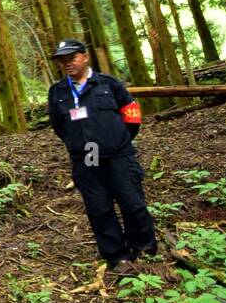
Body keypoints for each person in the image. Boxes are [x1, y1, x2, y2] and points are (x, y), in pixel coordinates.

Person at [46, 39, 157, 276]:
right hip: (86, 158)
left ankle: (144, 250)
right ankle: (117, 257)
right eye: (62, 61)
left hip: (118, 155)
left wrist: (118, 140)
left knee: (132, 203)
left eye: (71, 58)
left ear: (84, 57)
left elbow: (132, 115)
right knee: (99, 208)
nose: (67, 64)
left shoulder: (108, 84)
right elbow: (59, 126)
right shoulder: (58, 92)